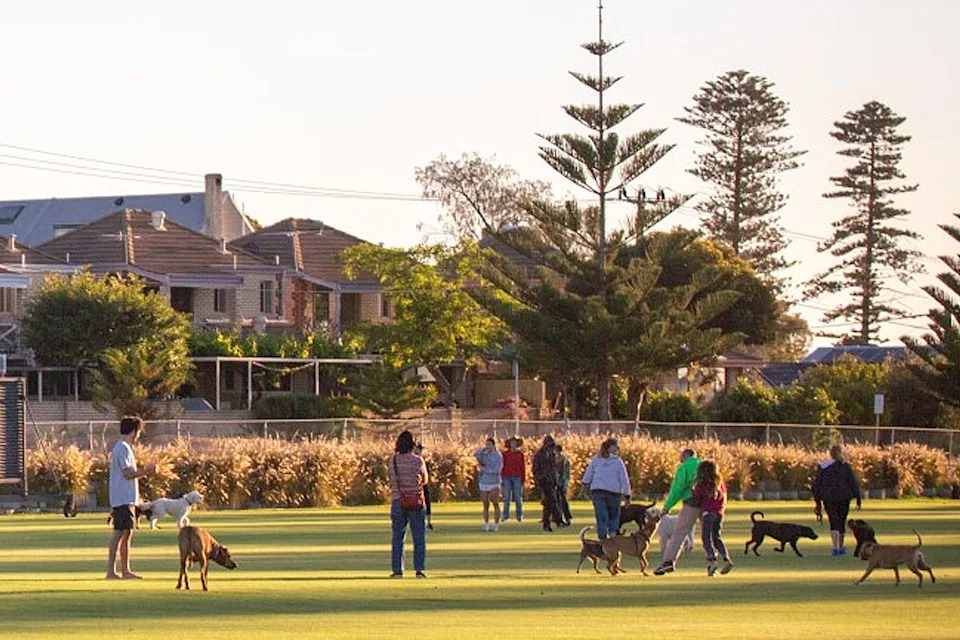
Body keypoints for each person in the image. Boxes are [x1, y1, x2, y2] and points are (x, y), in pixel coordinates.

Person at [106, 416, 156, 580]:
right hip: (122, 499)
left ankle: (126, 570)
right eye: (139, 431)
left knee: (127, 534)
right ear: (134, 431)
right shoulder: (123, 448)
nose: (139, 435)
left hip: (127, 498)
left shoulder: (124, 447)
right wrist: (147, 471)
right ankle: (111, 571)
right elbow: (128, 473)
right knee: (119, 533)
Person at [654, 447, 701, 575]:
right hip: (708, 501)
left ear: (685, 455)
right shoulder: (703, 465)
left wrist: (667, 507)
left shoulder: (684, 468)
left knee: (679, 532)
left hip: (691, 501)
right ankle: (715, 560)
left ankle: (668, 562)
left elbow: (677, 489)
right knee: (710, 532)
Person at [388, 430, 429, 578]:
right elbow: (424, 480)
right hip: (416, 501)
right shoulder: (418, 461)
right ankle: (419, 569)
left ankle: (397, 569)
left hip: (398, 500)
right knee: (419, 537)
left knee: (398, 536)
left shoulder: (393, 461)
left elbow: (391, 480)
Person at [812, 444, 862, 556]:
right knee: (841, 521)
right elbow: (853, 483)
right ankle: (841, 546)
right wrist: (858, 498)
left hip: (829, 498)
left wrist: (817, 501)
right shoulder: (845, 466)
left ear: (830, 454)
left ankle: (835, 547)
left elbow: (816, 485)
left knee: (833, 521)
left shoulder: (823, 467)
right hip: (844, 497)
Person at [580, 438, 631, 540]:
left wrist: (584, 489)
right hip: (613, 493)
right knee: (613, 517)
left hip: (598, 492)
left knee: (601, 517)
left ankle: (603, 540)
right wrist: (627, 495)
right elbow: (624, 479)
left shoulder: (596, 460)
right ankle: (612, 539)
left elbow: (587, 477)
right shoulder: (617, 461)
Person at [692, 460, 733, 577]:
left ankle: (712, 560)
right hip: (719, 513)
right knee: (717, 537)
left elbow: (697, 499)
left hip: (708, 514)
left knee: (706, 538)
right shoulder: (720, 484)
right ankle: (726, 558)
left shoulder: (702, 485)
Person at [532, 435, 564, 531]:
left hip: (551, 481)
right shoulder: (539, 455)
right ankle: (558, 520)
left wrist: (555, 480)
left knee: (548, 503)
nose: (551, 448)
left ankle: (546, 524)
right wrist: (540, 478)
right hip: (543, 481)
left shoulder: (551, 455)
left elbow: (553, 469)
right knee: (552, 500)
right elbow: (535, 469)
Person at [474, 437, 504, 531]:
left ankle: (495, 524)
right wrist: (482, 449)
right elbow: (475, 454)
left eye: (489, 444)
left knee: (495, 502)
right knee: (485, 503)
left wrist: (484, 469)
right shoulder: (484, 454)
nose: (488, 446)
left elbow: (497, 470)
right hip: (484, 481)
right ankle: (486, 524)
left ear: (494, 445)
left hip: (494, 482)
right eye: (486, 444)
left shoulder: (498, 455)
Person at [501, 437, 525, 522]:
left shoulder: (520, 454)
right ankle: (505, 516)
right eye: (512, 443)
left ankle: (519, 516)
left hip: (517, 477)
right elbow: (502, 467)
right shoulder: (505, 454)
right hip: (507, 477)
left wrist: (523, 479)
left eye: (515, 443)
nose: (513, 444)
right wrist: (502, 478)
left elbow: (522, 467)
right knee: (506, 498)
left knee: (518, 497)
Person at [414, 442, 434, 531]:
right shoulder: (414, 460)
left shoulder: (423, 460)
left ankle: (428, 522)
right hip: (415, 485)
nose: (420, 451)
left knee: (427, 502)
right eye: (419, 449)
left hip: (424, 484)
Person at [556, 444, 572, 526]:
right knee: (556, 501)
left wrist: (565, 484)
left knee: (564, 501)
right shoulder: (552, 460)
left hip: (562, 483)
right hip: (554, 483)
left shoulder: (565, 461)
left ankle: (568, 517)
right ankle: (558, 518)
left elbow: (567, 474)